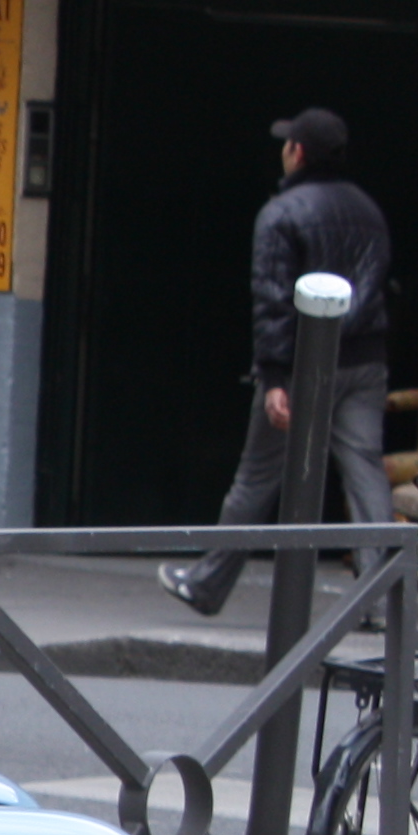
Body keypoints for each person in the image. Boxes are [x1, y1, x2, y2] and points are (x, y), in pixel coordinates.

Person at [162, 107, 392, 617]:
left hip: (304, 364)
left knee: (258, 474)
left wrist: (272, 377)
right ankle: (380, 601)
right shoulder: (369, 212)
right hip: (364, 358)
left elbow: (272, 301)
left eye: (287, 144)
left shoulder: (281, 213)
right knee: (364, 471)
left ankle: (207, 582)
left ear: (298, 152)